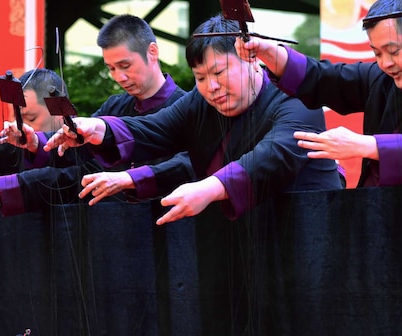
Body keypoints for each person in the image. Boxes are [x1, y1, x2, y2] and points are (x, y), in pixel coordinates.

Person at [48, 15, 342, 225]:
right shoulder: (199, 102)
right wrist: (97, 127)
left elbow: (274, 156)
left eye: (219, 72)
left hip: (308, 231)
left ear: (252, 59)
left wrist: (209, 187)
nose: (211, 87)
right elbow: (155, 127)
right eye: (200, 77)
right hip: (234, 244)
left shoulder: (298, 98)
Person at [0, 14, 194, 216]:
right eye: (111, 68)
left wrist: (126, 179)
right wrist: (36, 142)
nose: (119, 77)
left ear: (152, 52)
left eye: (125, 66)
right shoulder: (114, 107)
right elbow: (73, 154)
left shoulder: (186, 108)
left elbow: (185, 168)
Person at [234, 0, 402, 187]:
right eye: (377, 53)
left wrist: (363, 145)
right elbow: (324, 77)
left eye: (393, 51)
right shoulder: (380, 78)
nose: (386, 63)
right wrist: (266, 50)